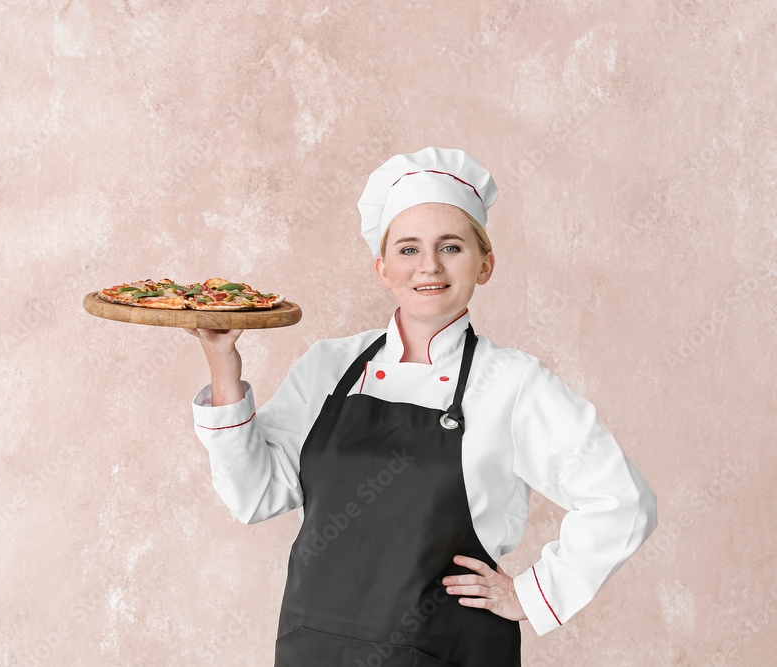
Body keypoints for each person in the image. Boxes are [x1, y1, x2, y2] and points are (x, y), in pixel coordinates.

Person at [185, 147, 657, 666]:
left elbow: (623, 500)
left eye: (450, 246)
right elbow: (254, 495)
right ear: (382, 268)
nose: (428, 266)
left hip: (447, 651)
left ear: (486, 264)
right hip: (316, 648)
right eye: (408, 249)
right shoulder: (329, 365)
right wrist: (223, 365)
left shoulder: (512, 383)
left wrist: (533, 593)